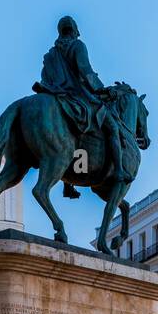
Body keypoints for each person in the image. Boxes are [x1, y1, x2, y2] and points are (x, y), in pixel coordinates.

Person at [34, 15, 111, 198]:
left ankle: (67, 181)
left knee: (64, 134)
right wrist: (103, 91)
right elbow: (86, 72)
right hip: (76, 96)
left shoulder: (50, 55)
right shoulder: (78, 46)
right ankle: (120, 169)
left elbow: (45, 77)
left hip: (54, 94)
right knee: (111, 125)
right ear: (75, 31)